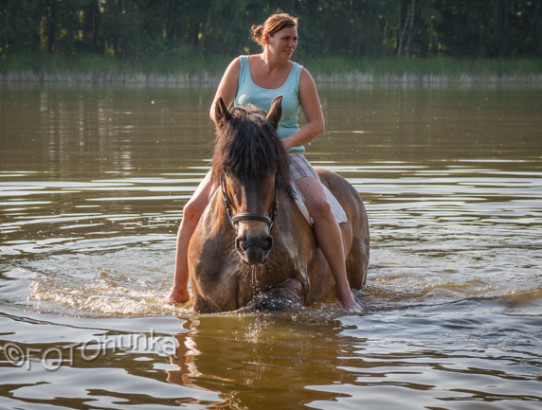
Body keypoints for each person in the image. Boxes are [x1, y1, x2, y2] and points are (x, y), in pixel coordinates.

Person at [168, 13, 361, 310]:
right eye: (286, 39)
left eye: (295, 39)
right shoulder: (240, 66)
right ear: (267, 39)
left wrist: (281, 143)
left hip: (286, 154)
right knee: (191, 210)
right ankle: (179, 290)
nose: (292, 44)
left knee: (321, 208)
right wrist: (237, 136)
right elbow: (216, 110)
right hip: (242, 153)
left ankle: (346, 293)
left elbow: (317, 124)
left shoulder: (300, 75)